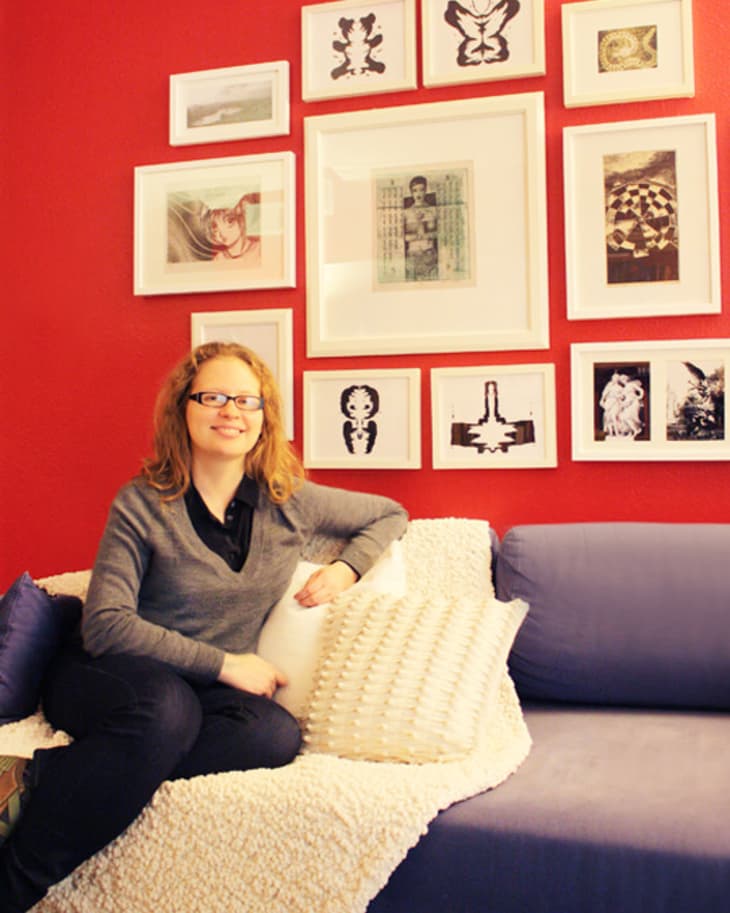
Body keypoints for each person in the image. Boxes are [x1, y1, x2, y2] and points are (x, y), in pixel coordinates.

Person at [0, 341, 408, 911]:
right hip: (107, 676)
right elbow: (107, 626)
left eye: (247, 400)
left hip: (196, 694)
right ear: (183, 410)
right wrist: (225, 664)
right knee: (164, 711)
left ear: (265, 417)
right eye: (212, 396)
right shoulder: (141, 504)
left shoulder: (289, 501)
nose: (231, 412)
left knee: (273, 734)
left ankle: (42, 774)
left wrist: (346, 569)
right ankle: (12, 884)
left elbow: (389, 514)